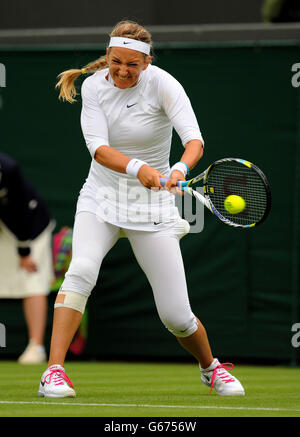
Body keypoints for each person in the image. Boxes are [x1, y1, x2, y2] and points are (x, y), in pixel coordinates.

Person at [38, 20, 245, 398]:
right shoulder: (93, 87)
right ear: (108, 56)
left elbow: (194, 140)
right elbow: (98, 148)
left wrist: (179, 168)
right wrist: (140, 168)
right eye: (116, 61)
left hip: (153, 208)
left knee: (177, 316)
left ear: (146, 63)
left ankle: (210, 368)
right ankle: (53, 371)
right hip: (100, 199)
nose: (122, 70)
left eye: (132, 64)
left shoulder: (165, 85)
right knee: (81, 268)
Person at [0, 153, 54, 364]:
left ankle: (36, 346)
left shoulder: (9, 168)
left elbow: (21, 209)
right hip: (4, 227)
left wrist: (24, 252)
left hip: (31, 228)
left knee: (32, 282)